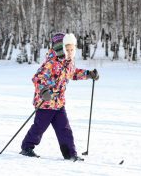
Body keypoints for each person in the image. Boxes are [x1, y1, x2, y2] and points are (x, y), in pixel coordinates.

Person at [20, 32, 99, 161]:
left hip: (59, 103)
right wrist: (44, 91)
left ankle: (70, 154)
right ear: (60, 48)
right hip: (45, 103)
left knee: (64, 129)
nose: (69, 52)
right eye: (66, 49)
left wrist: (88, 74)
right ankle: (27, 147)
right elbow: (37, 78)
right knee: (39, 127)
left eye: (72, 49)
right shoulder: (51, 63)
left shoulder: (69, 63)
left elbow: (73, 74)